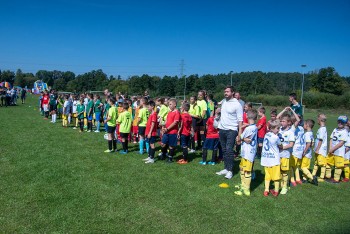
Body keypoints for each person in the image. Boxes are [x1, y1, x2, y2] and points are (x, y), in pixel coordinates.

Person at [216, 85, 243, 180]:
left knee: (229, 150)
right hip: (222, 129)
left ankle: (230, 171)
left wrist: (239, 134)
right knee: (223, 150)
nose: (225, 93)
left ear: (232, 93)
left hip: (232, 130)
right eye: (225, 91)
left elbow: (240, 120)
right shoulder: (224, 102)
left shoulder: (237, 104)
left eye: (227, 91)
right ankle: (226, 168)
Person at [234, 109, 258, 196]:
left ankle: (246, 189)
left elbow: (241, 140)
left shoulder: (249, 128)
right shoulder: (253, 127)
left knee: (247, 171)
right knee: (242, 168)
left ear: (247, 116)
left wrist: (240, 129)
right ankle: (243, 184)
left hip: (248, 153)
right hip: (246, 152)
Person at [261, 120, 283, 197]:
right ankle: (276, 191)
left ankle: (266, 190)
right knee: (276, 177)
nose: (279, 130)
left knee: (267, 176)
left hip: (266, 158)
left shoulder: (267, 134)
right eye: (277, 128)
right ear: (272, 128)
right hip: (274, 159)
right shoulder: (276, 137)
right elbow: (280, 146)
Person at [326, 115, 348, 183]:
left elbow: (341, 143)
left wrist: (332, 149)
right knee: (327, 163)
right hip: (332, 151)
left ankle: (336, 179)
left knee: (338, 166)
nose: (340, 123)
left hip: (339, 152)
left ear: (345, 123)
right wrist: (330, 149)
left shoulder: (345, 132)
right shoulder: (335, 129)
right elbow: (331, 139)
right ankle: (328, 176)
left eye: (342, 122)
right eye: (339, 121)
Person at [278, 113, 295, 195]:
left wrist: (282, 148)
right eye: (281, 121)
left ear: (288, 122)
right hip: (277, 155)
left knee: (284, 171)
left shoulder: (291, 132)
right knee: (278, 170)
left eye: (283, 121)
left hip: (285, 155)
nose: (281, 122)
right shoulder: (279, 130)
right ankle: (280, 185)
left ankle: (284, 187)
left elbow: (291, 144)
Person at [160, 98, 180, 163]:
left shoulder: (177, 112)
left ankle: (170, 158)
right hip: (166, 131)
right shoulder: (169, 112)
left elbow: (175, 123)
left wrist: (167, 128)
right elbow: (166, 121)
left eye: (170, 104)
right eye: (169, 104)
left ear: (175, 105)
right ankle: (163, 154)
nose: (169, 105)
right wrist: (163, 125)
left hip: (172, 132)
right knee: (163, 143)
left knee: (171, 146)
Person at [300, 119, 318, 185]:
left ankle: (312, 178)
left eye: (304, 124)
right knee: (306, 167)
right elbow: (312, 143)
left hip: (306, 154)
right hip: (309, 153)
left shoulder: (307, 134)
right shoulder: (311, 133)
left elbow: (308, 144)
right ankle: (304, 179)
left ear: (307, 125)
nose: (303, 126)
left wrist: (304, 151)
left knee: (303, 167)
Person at [312, 114, 328, 182]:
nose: (317, 120)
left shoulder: (322, 129)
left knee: (322, 164)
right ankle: (313, 174)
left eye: (317, 119)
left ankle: (322, 177)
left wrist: (318, 149)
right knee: (316, 163)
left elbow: (320, 140)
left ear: (320, 120)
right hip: (318, 149)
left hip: (321, 150)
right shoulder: (321, 128)